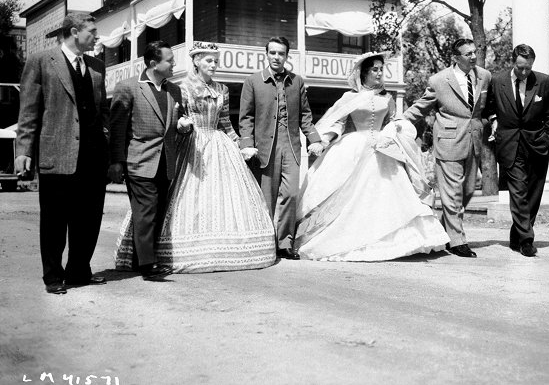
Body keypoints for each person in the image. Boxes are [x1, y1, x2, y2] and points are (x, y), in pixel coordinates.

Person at [114, 42, 276, 272]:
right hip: (191, 144)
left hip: (219, 146)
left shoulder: (222, 89)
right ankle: (147, 259)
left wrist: (240, 145)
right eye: (209, 60)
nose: (213, 64)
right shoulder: (182, 88)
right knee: (167, 202)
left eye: (216, 61)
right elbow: (176, 119)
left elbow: (226, 124)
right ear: (197, 61)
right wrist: (183, 127)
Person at [294, 52, 450, 261]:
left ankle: (393, 241)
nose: (378, 73)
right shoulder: (349, 97)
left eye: (380, 69)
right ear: (364, 73)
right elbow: (337, 123)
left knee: (389, 192)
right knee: (349, 192)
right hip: (354, 146)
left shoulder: (387, 97)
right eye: (374, 69)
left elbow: (396, 121)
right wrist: (323, 141)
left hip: (383, 148)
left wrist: (392, 133)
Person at [14, 13, 109, 294]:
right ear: (74, 31)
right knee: (55, 221)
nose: (96, 36)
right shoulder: (42, 61)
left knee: (88, 219)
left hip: (92, 157)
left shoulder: (97, 67)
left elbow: (102, 111)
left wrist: (105, 142)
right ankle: (53, 277)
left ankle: (79, 271)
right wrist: (24, 149)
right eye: (92, 31)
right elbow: (29, 110)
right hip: (57, 153)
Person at [404, 38, 491, 258]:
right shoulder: (439, 80)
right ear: (455, 57)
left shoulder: (484, 76)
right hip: (448, 141)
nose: (473, 57)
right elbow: (421, 107)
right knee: (452, 194)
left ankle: (442, 233)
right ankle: (457, 241)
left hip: (474, 141)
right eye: (467, 54)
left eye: (474, 52)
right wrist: (400, 122)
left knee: (468, 192)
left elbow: (485, 107)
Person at [239, 36, 324, 260]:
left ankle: (285, 243)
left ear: (287, 56)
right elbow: (245, 118)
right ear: (266, 55)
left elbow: (305, 115)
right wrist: (246, 143)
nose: (277, 57)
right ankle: (265, 242)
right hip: (265, 147)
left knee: (290, 194)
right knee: (266, 196)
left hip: (291, 145)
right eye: (273, 53)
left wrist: (314, 138)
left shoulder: (296, 81)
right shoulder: (253, 81)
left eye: (281, 53)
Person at [109, 41, 188, 280]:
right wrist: (116, 161)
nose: (174, 63)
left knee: (158, 211)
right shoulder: (128, 87)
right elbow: (117, 128)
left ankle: (140, 260)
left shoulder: (174, 90)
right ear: (154, 63)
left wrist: (184, 125)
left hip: (166, 162)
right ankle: (148, 265)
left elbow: (178, 121)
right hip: (139, 161)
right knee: (146, 211)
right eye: (170, 60)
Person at [486, 44, 549, 257]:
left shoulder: (543, 81)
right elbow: (489, 108)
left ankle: (516, 236)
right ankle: (527, 240)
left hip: (537, 145)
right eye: (520, 68)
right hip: (509, 144)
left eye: (527, 68)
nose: (524, 72)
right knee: (518, 191)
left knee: (533, 195)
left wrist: (547, 138)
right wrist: (494, 121)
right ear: (513, 62)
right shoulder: (498, 81)